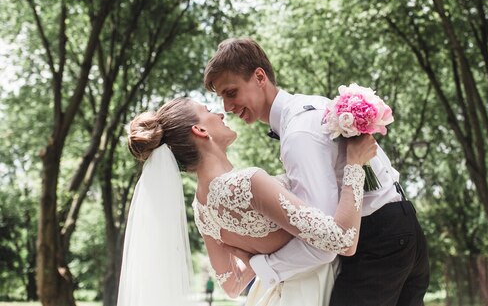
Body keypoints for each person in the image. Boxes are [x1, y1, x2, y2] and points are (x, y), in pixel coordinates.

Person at [204, 38, 430, 306]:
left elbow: (325, 239)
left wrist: (262, 265)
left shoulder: (299, 133)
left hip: (377, 241)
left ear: (259, 77)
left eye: (231, 92)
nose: (227, 108)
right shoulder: (312, 105)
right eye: (222, 98)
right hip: (403, 227)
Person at [119, 97, 377, 306]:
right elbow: (342, 239)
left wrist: (258, 260)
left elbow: (231, 285)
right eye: (208, 110)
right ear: (199, 130)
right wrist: (354, 163)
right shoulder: (247, 183)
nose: (220, 114)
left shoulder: (202, 211)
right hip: (313, 292)